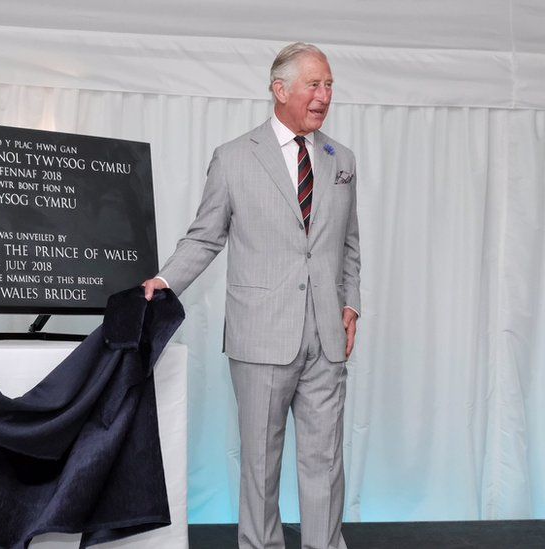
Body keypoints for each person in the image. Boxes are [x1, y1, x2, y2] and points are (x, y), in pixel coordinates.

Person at [143, 42, 360, 549]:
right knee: (261, 461)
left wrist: (351, 305)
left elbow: (349, 243)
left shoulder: (341, 159)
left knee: (325, 460)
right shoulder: (234, 158)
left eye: (329, 84)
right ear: (279, 90)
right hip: (260, 335)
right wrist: (166, 280)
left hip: (327, 336)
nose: (324, 95)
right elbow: (204, 236)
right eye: (314, 84)